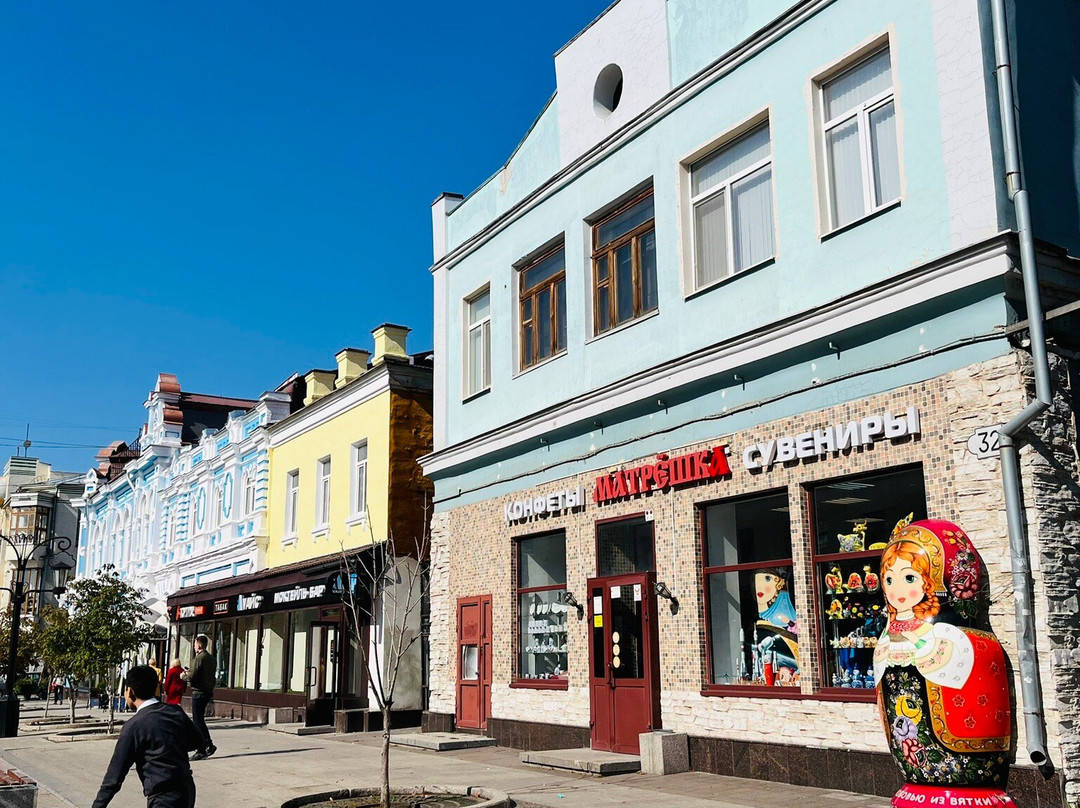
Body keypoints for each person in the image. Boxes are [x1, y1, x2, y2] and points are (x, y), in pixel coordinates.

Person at [873, 518, 1011, 796]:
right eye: (889, 580)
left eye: (909, 578)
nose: (898, 590)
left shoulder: (955, 635)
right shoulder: (888, 634)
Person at [91, 664, 200, 808]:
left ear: (130, 692)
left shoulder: (133, 726)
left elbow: (114, 777)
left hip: (163, 797)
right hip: (187, 790)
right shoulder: (175, 711)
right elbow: (196, 741)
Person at [183, 635, 216, 760]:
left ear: (200, 645)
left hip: (199, 692)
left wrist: (183, 676)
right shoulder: (211, 658)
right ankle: (207, 745)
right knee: (199, 720)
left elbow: (192, 676)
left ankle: (203, 747)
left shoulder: (199, 658)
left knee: (197, 721)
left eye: (195, 644)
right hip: (207, 691)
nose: (194, 646)